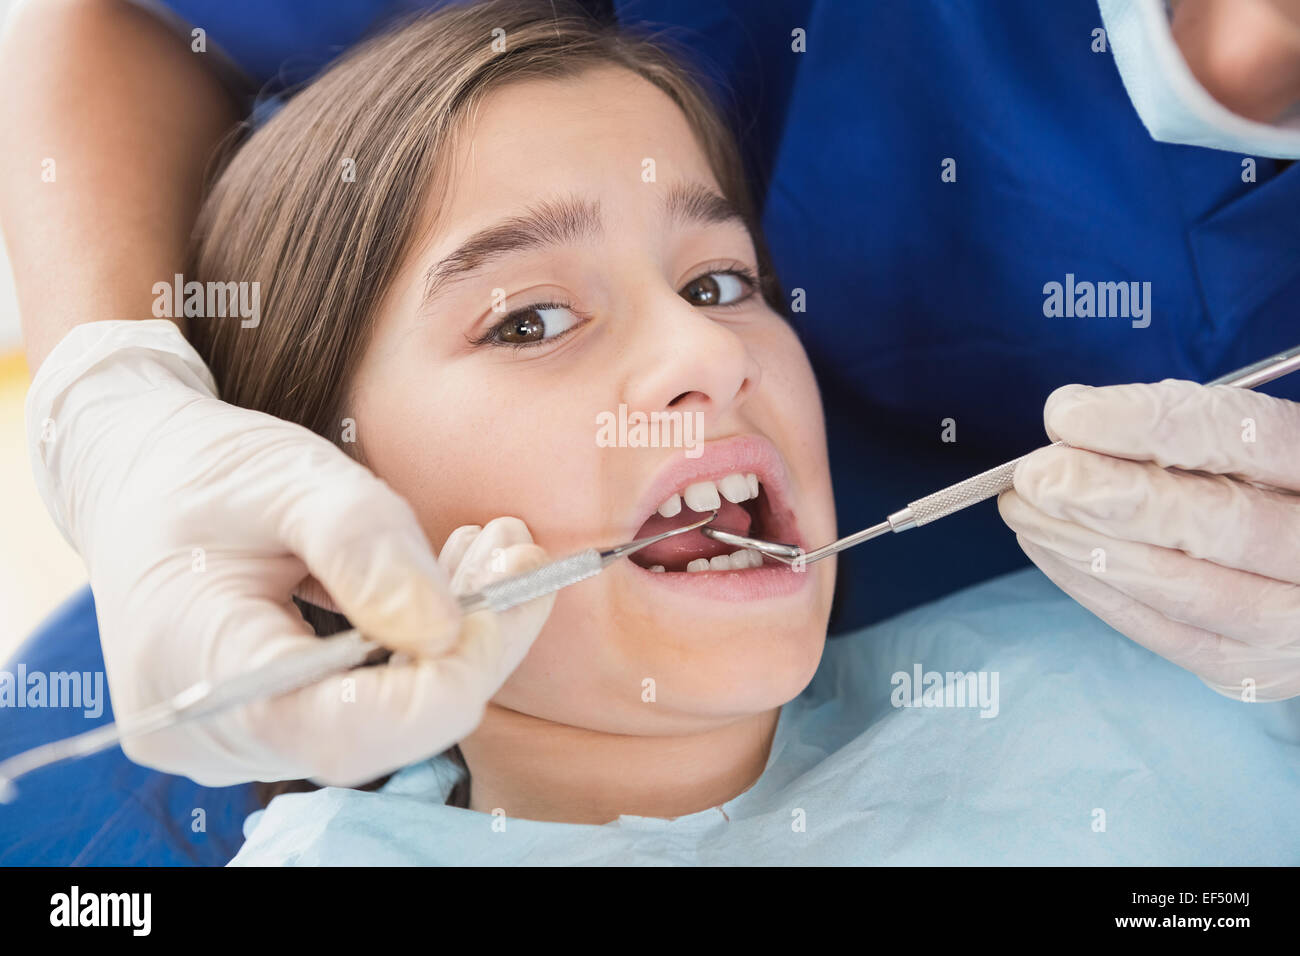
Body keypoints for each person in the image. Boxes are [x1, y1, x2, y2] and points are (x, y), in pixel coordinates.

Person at [0, 0, 1298, 858]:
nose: (705, 353)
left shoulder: (1164, 693)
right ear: (309, 472)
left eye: (725, 282)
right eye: (526, 321)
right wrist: (112, 404)